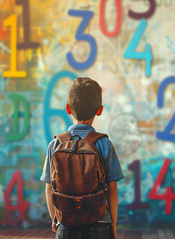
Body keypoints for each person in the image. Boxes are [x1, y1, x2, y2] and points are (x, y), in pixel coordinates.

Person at [40, 77, 124, 239]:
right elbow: (112, 187)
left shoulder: (55, 144)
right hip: (99, 223)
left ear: (68, 108)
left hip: (66, 223)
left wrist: (55, 219)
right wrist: (112, 222)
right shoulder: (104, 143)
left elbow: (49, 188)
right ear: (99, 110)